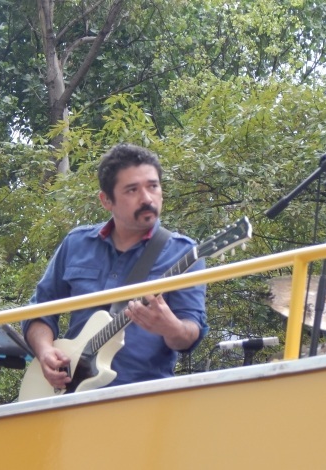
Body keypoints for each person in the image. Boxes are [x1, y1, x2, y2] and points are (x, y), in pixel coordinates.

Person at [22, 143, 208, 390]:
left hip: (145, 396)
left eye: (153, 186)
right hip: (70, 395)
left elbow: (189, 334)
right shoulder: (76, 243)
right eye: (132, 190)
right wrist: (45, 351)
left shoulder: (184, 253)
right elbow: (39, 312)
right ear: (106, 200)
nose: (147, 198)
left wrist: (170, 327)